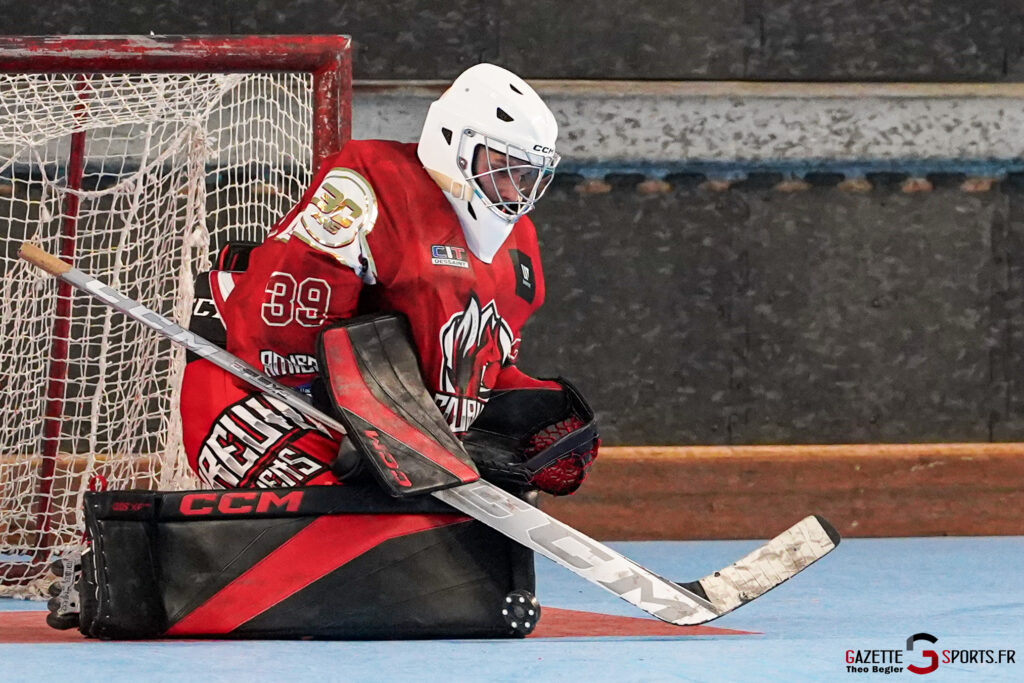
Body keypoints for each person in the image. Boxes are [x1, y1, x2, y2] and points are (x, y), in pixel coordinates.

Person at [180, 62, 597, 496]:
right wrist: (367, 432)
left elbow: (474, 367)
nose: (514, 193)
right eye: (501, 167)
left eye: (527, 176)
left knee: (455, 532)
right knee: (353, 524)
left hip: (389, 436)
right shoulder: (368, 186)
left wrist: (528, 407)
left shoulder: (518, 247)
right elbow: (275, 344)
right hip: (256, 396)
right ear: (453, 140)